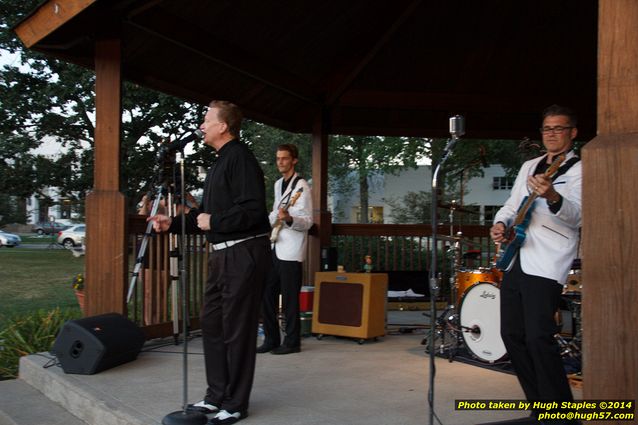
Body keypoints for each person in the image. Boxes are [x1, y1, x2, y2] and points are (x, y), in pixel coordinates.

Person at [149, 100, 271, 425]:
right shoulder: (220, 162)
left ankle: (235, 403)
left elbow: (254, 210)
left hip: (243, 253)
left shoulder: (240, 159)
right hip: (222, 255)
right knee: (213, 324)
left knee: (237, 330)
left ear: (223, 126)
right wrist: (171, 224)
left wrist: (214, 220)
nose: (201, 126)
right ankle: (216, 395)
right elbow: (203, 217)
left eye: (206, 120)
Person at [490, 104, 581, 420]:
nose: (552, 134)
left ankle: (561, 414)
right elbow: (511, 205)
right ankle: (540, 408)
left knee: (538, 337)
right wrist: (500, 224)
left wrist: (554, 197)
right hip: (516, 257)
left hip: (547, 261)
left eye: (559, 128)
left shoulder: (581, 169)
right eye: (547, 129)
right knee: (511, 335)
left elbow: (578, 216)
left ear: (573, 133)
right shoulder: (530, 165)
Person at [257, 144, 313, 355]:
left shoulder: (302, 187)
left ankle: (292, 342)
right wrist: (266, 222)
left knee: (290, 298)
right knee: (266, 293)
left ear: (294, 160)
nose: (280, 162)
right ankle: (271, 339)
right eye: (278, 158)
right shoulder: (279, 184)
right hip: (275, 245)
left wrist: (289, 218)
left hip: (291, 250)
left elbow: (307, 222)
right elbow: (275, 212)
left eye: (284, 158)